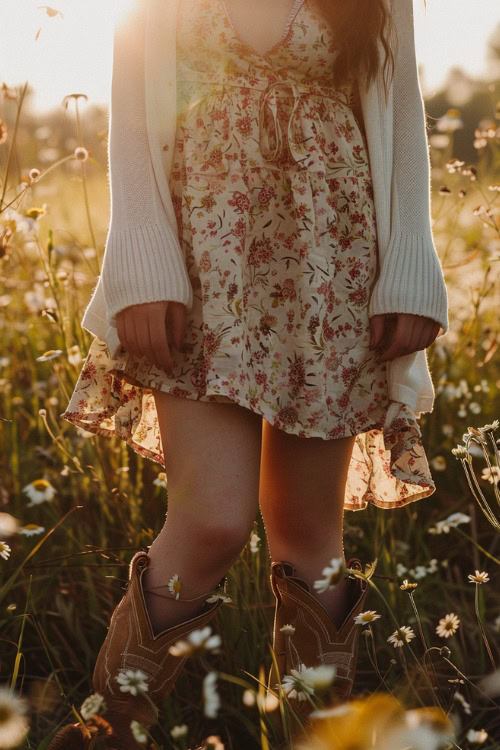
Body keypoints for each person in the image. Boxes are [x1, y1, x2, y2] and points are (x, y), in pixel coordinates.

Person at [56, 0, 449, 746]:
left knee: (309, 537)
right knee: (210, 522)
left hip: (330, 260)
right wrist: (142, 263)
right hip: (202, 256)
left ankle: (323, 738)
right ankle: (108, 731)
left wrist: (409, 271)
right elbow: (135, 104)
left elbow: (400, 113)